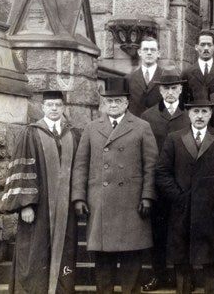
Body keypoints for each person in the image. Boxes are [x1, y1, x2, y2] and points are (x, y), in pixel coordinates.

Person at [71, 84, 158, 294]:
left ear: (126, 103)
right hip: (100, 202)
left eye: (118, 101)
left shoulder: (141, 127)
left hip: (132, 202)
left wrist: (147, 196)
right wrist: (79, 197)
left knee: (131, 259)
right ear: (103, 103)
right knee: (103, 261)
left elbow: (151, 165)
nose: (113, 104)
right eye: (109, 101)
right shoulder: (92, 128)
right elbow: (81, 165)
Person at [154, 96, 214, 294]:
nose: (200, 116)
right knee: (182, 260)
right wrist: (178, 196)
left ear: (210, 114)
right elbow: (162, 172)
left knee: (211, 260)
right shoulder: (174, 138)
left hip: (211, 209)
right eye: (196, 111)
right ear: (188, 114)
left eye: (204, 111)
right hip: (183, 209)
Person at [2, 90, 79, 294]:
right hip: (38, 207)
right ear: (42, 107)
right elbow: (21, 169)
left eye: (58, 105)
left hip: (65, 208)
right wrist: (26, 205)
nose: (54, 108)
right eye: (50, 105)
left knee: (66, 250)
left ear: (63, 107)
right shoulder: (30, 133)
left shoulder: (73, 134)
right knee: (35, 251)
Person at [140, 70, 191, 292]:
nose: (170, 92)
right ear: (160, 91)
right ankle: (159, 275)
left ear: (180, 89)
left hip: (182, 184)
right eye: (166, 89)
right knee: (157, 233)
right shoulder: (148, 117)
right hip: (157, 185)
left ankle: (184, 279)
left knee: (182, 231)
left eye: (174, 88)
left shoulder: (189, 114)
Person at [181, 30, 214, 103]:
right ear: (196, 47)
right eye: (202, 45)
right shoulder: (186, 73)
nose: (206, 48)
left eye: (209, 45)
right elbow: (182, 100)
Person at [128, 35, 163, 116]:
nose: (149, 53)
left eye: (153, 50)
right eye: (145, 49)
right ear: (139, 52)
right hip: (136, 122)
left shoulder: (165, 77)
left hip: (159, 122)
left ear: (158, 53)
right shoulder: (129, 78)